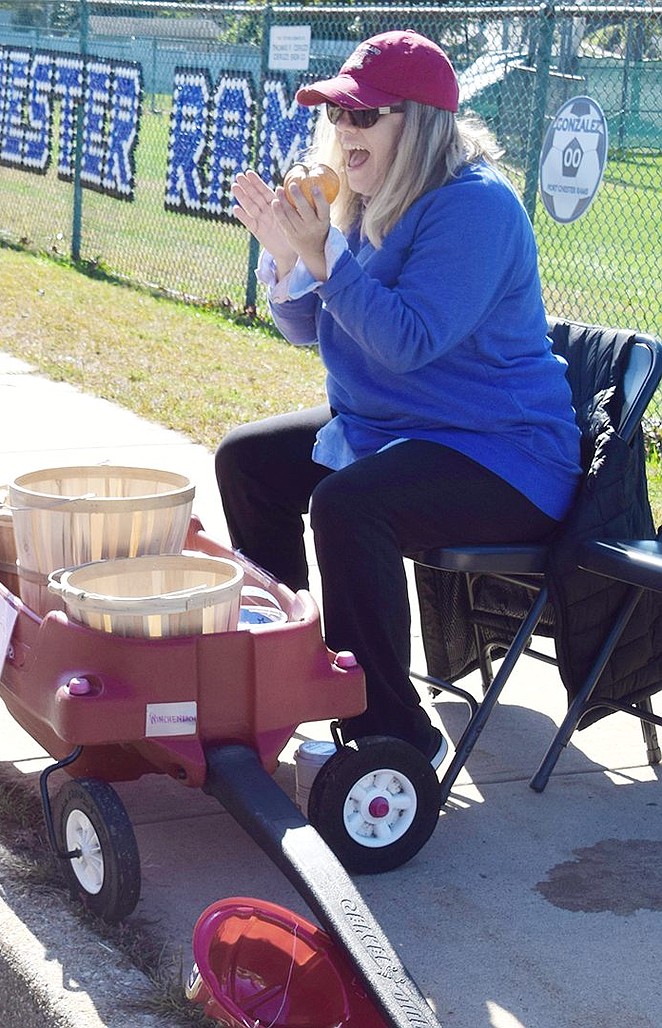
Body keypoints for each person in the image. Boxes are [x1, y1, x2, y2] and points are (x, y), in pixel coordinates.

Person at [215, 30, 581, 766]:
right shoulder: (358, 195)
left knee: (352, 503)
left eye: (364, 117)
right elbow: (304, 328)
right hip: (397, 430)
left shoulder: (474, 207)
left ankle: (386, 731)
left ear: (417, 124)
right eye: (338, 114)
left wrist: (325, 254)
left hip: (504, 454)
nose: (344, 130)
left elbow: (409, 339)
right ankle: (277, 671)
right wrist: (290, 257)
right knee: (248, 462)